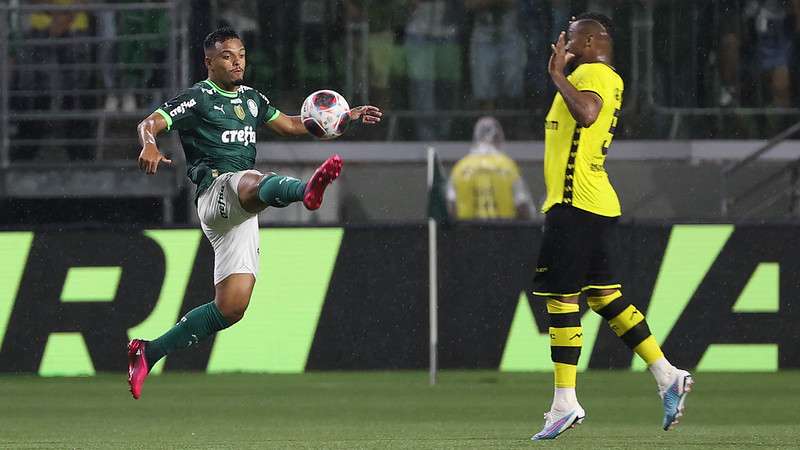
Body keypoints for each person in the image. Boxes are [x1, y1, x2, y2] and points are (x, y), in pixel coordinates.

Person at [127, 28, 381, 399]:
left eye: (241, 54)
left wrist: (345, 116)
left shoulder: (252, 100)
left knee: (231, 307)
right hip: (215, 193)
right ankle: (305, 191)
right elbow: (148, 123)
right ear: (209, 62)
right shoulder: (198, 98)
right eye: (228, 56)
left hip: (242, 212)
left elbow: (294, 124)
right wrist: (149, 145)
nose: (237, 62)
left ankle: (148, 352)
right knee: (251, 179)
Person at [530, 14, 693, 440]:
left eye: (570, 35)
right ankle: (667, 374)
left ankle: (564, 403)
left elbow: (585, 114)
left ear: (588, 41)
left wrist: (556, 75)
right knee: (604, 298)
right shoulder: (605, 75)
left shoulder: (591, 73)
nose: (561, 41)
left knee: (561, 299)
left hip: (575, 202)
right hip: (594, 200)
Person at [446, 116, 534, 220]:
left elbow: (451, 207)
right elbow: (522, 205)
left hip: (467, 233)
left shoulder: (460, 168)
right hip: (504, 233)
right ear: (498, 138)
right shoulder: (507, 167)